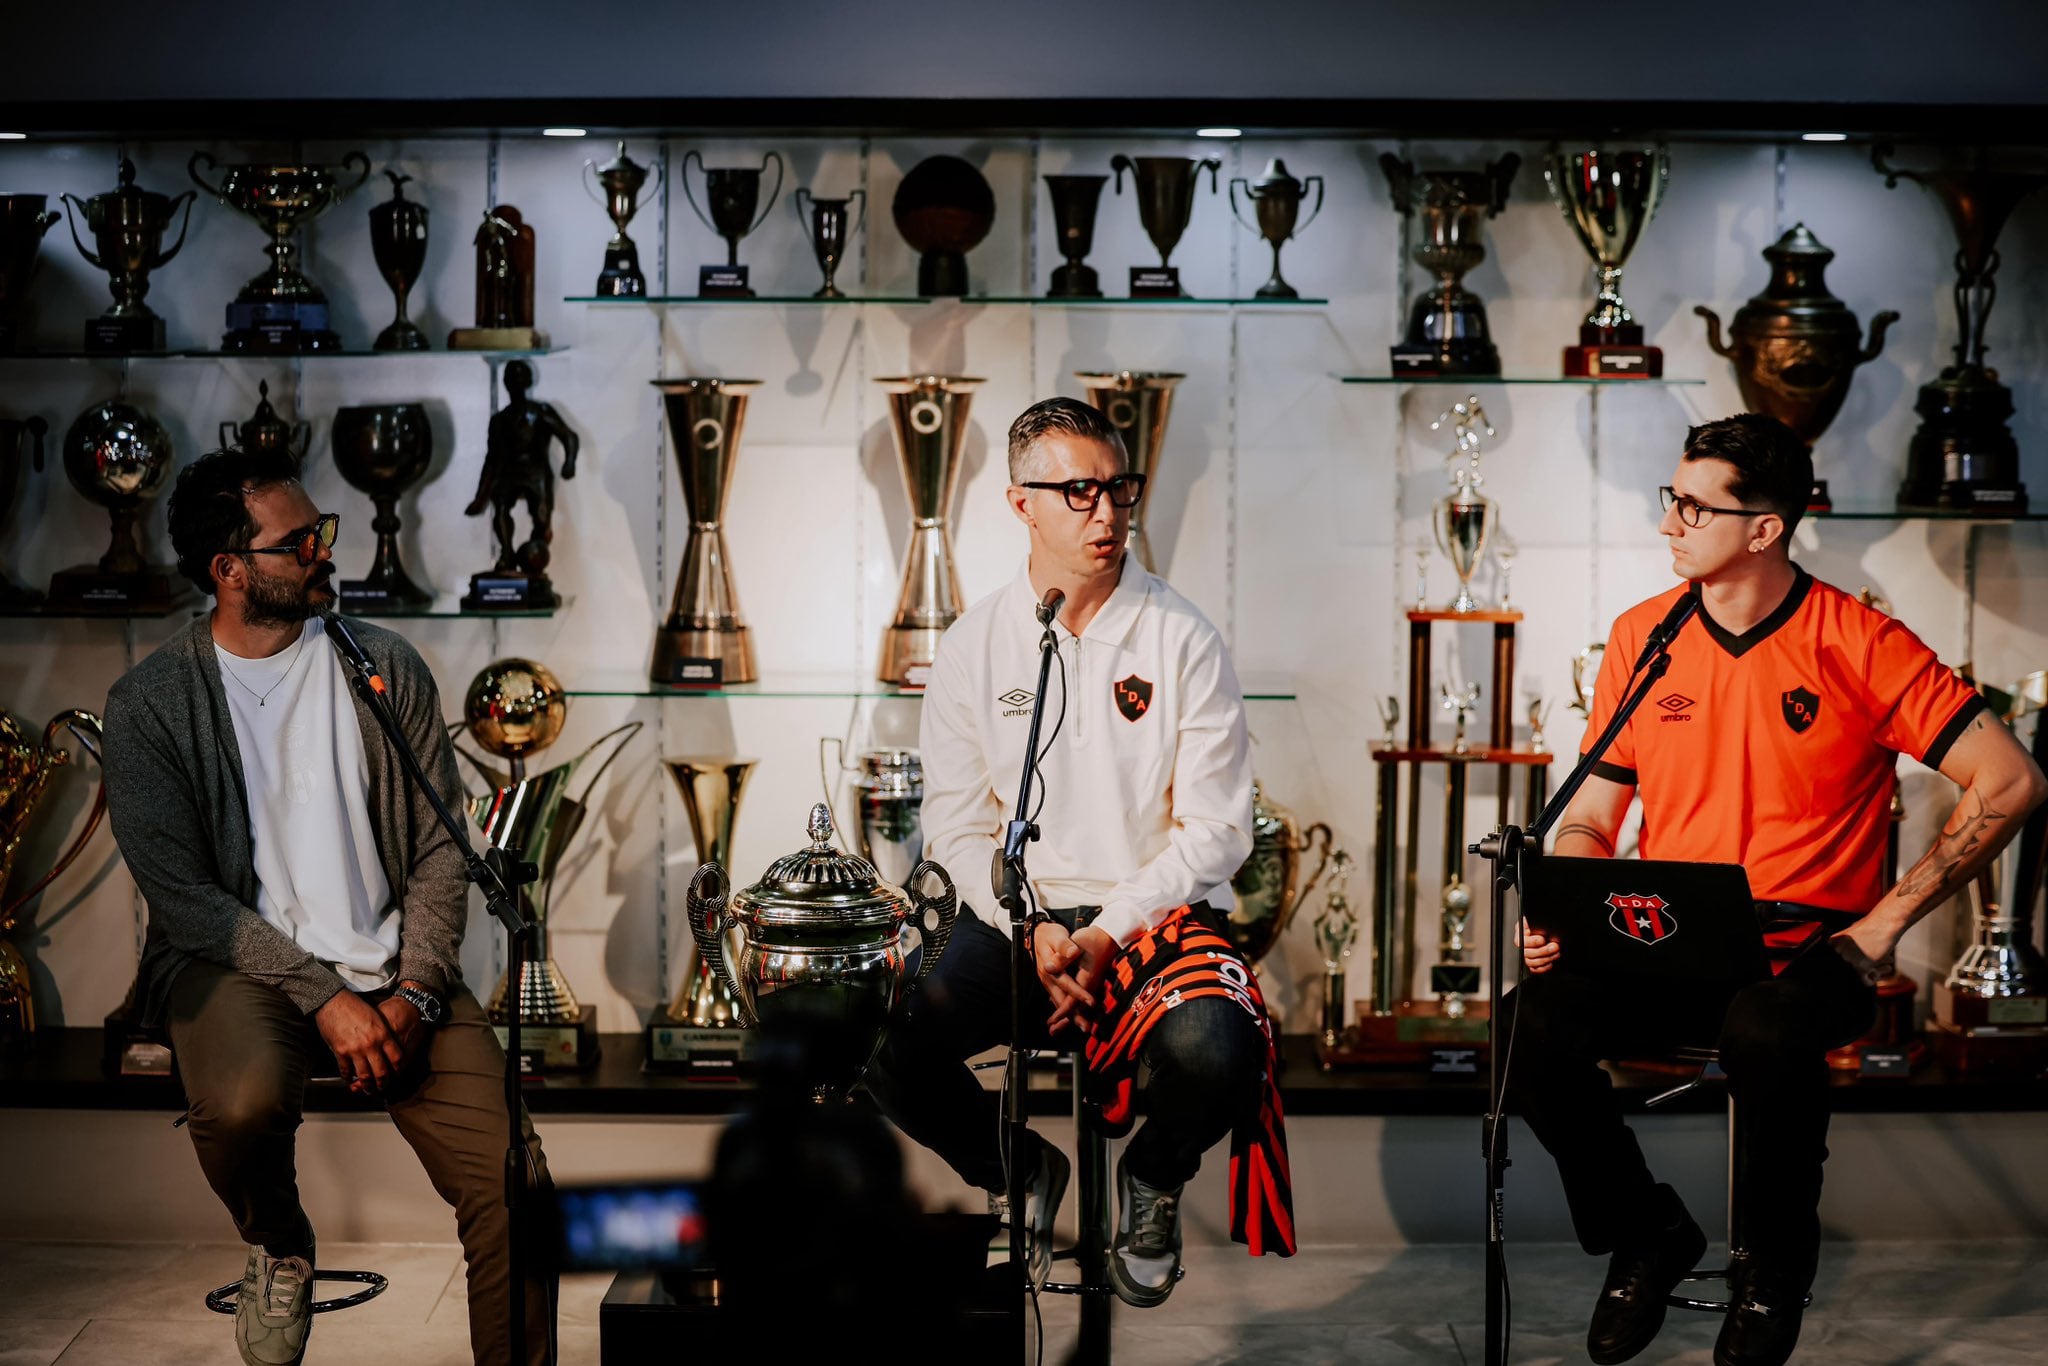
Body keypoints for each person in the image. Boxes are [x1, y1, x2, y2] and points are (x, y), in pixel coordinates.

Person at [1510, 413, 2046, 1366]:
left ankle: (1772, 1271)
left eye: (1691, 505)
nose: (1668, 521)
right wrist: (1575, 914)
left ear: (1763, 528)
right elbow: (1591, 814)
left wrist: (1880, 927)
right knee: (1527, 1024)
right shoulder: (1645, 636)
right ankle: (1647, 1233)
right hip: (1675, 935)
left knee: (1764, 1023)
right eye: (1669, 498)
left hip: (1815, 949)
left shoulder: (1862, 641)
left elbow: (2013, 780)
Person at [101, 448, 555, 1366]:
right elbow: (186, 900)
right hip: (241, 969)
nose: (322, 551)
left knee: (518, 1188)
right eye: (298, 540)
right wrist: (325, 999)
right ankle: (280, 1244)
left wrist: (420, 991)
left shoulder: (381, 666)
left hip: (394, 967)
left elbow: (440, 845)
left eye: (322, 532)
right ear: (229, 571)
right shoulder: (150, 702)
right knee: (236, 1107)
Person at [866, 396, 1291, 1309]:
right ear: (1022, 503)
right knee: (875, 1028)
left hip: (1153, 918)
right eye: (1078, 492)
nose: (1106, 514)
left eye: (1119, 489)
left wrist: (1107, 928)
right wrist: (1027, 929)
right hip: (1014, 921)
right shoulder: (975, 642)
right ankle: (1019, 1171)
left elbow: (1219, 830)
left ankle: (1152, 1180)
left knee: (1220, 1048)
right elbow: (957, 825)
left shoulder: (1183, 637)